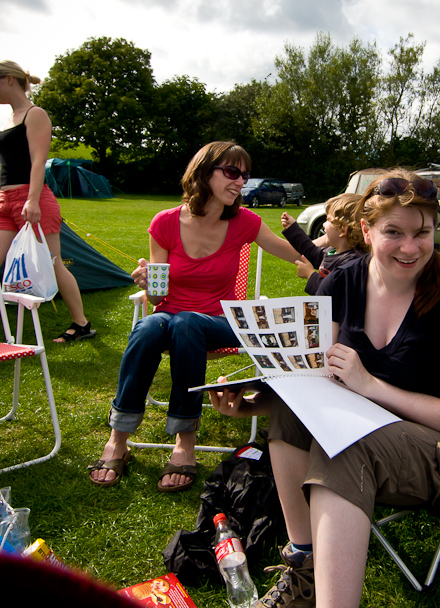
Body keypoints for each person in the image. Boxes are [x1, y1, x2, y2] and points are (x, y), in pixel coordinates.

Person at [210, 168, 440, 608]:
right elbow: (313, 376)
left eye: (423, 232)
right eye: (393, 231)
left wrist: (370, 384)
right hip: (361, 422)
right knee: (289, 413)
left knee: (347, 447)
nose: (410, 247)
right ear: (367, 229)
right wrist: (251, 407)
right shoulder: (344, 280)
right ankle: (305, 567)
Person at [88, 141, 301, 492]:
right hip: (171, 315)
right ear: (204, 172)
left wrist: (335, 253)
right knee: (148, 326)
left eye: (244, 175)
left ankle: (184, 443)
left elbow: (291, 252)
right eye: (232, 172)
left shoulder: (245, 222)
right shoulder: (166, 222)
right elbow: (157, 297)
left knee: (186, 323)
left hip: (222, 321)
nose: (240, 182)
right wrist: (148, 281)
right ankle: (118, 439)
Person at [0, 60, 94, 342]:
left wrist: (31, 200)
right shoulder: (9, 118)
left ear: (8, 79)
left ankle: (81, 324)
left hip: (33, 200)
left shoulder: (35, 114)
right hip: (3, 201)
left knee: (53, 262)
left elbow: (38, 160)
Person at [280, 193, 368, 295]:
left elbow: (331, 294)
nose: (324, 224)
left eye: (328, 220)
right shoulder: (333, 252)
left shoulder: (352, 264)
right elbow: (311, 252)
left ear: (342, 230)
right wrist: (293, 229)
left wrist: (310, 275)